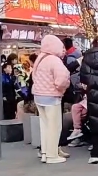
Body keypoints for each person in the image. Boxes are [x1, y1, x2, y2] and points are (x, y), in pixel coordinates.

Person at [31, 35, 73, 164]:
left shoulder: (40, 58)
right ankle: (52, 155)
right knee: (54, 126)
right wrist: (61, 90)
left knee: (45, 126)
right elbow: (62, 79)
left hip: (38, 95)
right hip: (51, 96)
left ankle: (44, 153)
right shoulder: (54, 60)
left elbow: (33, 76)